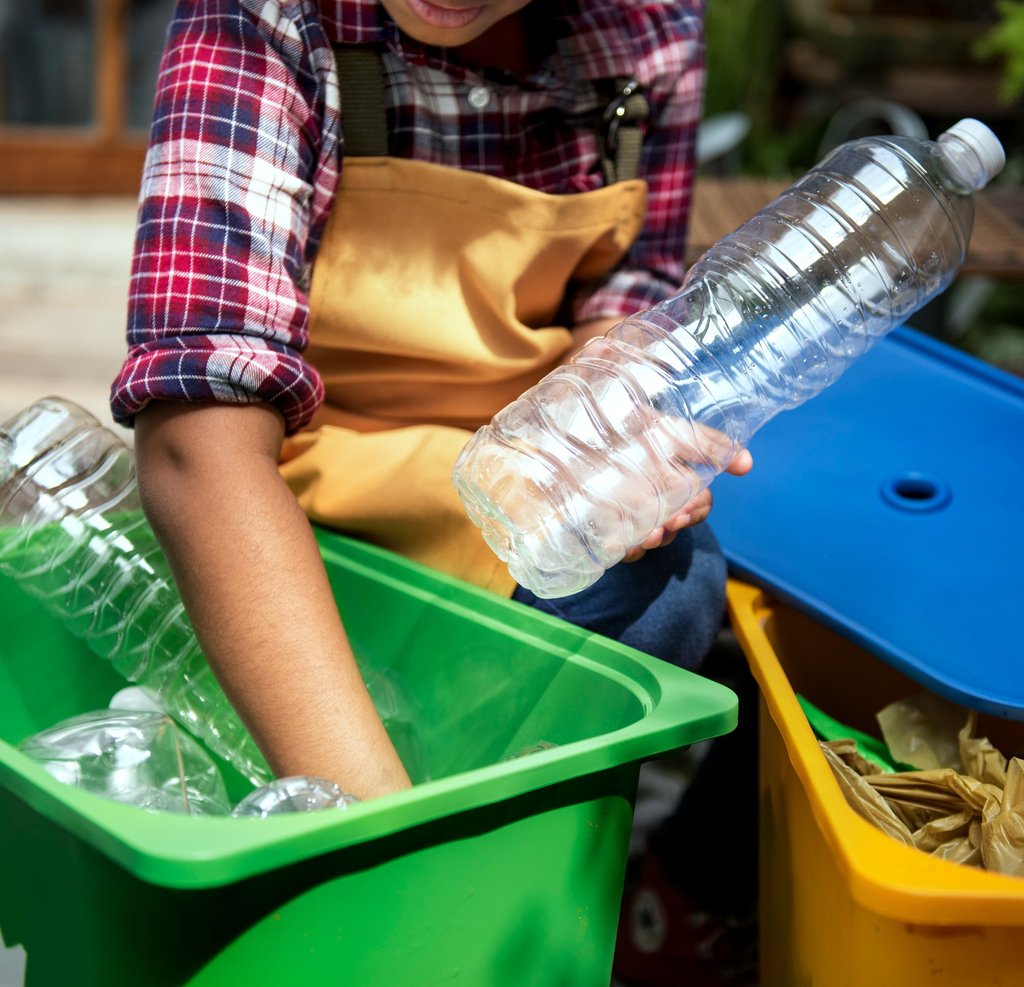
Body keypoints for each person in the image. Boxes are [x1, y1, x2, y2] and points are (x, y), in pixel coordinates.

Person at [111, 0, 755, 980]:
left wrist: (616, 415)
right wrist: (383, 854)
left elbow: (626, 292)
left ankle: (528, 893)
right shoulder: (267, 19)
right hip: (293, 499)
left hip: (497, 481)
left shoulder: (647, 30)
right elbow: (198, 446)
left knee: (671, 586)